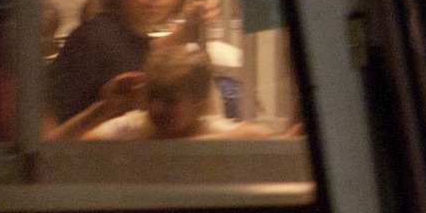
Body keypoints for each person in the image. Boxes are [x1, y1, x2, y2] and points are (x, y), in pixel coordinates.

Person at [46, 0, 200, 127]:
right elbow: (50, 132)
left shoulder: (134, 37)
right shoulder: (93, 38)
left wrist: (190, 28)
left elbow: (147, 49)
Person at [50, 45, 267, 142]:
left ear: (200, 106)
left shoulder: (208, 128)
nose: (156, 108)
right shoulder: (135, 126)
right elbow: (64, 146)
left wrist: (177, 149)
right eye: (153, 96)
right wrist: (103, 109)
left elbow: (257, 134)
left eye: (170, 100)